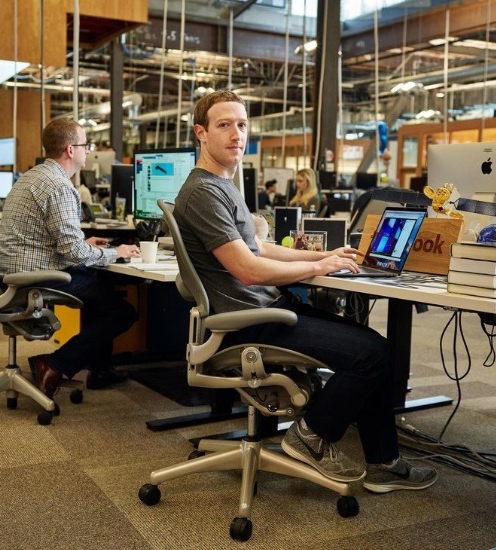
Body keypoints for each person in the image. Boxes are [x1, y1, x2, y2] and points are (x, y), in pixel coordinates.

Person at [173, 90, 437, 493]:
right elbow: (247, 270)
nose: (236, 134)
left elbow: (258, 247)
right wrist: (317, 267)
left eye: (242, 125)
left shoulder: (223, 185)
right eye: (224, 125)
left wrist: (323, 254)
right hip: (248, 323)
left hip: (262, 311)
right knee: (371, 354)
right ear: (201, 133)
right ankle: (311, 435)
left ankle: (383, 461)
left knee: (371, 344)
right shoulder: (203, 192)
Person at [0, 118, 141, 399]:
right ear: (70, 150)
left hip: (14, 271)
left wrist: (85, 244)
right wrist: (117, 252)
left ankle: (99, 368)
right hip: (37, 276)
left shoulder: (33, 176)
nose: (89, 150)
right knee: (122, 312)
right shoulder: (61, 187)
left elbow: (52, 239)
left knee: (99, 290)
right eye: (86, 145)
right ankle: (54, 364)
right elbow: (74, 254)